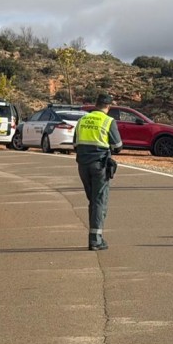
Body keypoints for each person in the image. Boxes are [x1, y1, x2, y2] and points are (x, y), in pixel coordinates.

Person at [73, 93, 123, 251]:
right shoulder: (108, 121)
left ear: (96, 104)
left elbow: (75, 143)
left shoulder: (82, 120)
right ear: (108, 107)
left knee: (93, 201)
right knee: (99, 202)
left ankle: (95, 237)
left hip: (83, 165)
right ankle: (95, 240)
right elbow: (118, 146)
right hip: (99, 165)